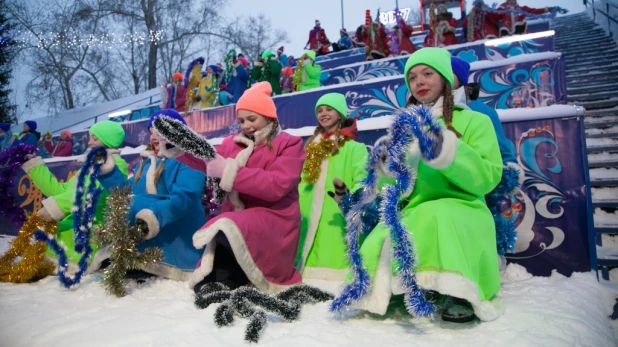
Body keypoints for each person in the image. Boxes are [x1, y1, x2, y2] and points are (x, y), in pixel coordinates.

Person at [342, 48, 503, 323]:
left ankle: (459, 292)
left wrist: (447, 150)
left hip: (464, 209)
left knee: (439, 215)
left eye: (428, 74)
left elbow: (488, 176)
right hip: (416, 208)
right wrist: (385, 167)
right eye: (413, 77)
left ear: (445, 79)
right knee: (384, 232)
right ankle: (393, 289)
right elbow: (400, 184)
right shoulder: (406, 129)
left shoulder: (476, 121)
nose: (419, 81)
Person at [154, 82, 305, 294]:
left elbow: (276, 185)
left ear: (270, 117)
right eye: (242, 120)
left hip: (276, 219)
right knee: (226, 225)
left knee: (229, 223)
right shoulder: (231, 143)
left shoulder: (289, 144)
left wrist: (228, 170)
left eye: (252, 119)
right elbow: (205, 160)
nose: (246, 125)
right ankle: (223, 274)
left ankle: (229, 276)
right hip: (241, 217)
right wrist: (175, 145)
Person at [96, 110, 206, 281]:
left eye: (159, 132)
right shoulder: (148, 162)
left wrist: (155, 214)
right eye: (151, 132)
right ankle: (132, 258)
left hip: (179, 235)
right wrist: (108, 172)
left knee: (138, 203)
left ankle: (152, 263)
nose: (154, 137)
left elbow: (186, 197)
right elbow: (129, 193)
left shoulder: (191, 160)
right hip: (151, 237)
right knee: (124, 203)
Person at [21, 121, 128, 271]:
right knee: (43, 234)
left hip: (95, 229)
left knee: (48, 237)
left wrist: (54, 208)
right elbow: (60, 191)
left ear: (108, 141)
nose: (89, 142)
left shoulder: (115, 165)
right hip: (79, 223)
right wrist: (34, 166)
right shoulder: (89, 166)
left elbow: (90, 195)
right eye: (90, 137)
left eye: (95, 138)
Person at [295, 93, 368, 280]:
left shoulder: (354, 148)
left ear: (340, 113)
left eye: (329, 109)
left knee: (335, 246)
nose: (323, 113)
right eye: (319, 110)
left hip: (335, 209)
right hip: (308, 209)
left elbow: (363, 177)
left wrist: (350, 198)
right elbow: (303, 179)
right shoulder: (312, 147)